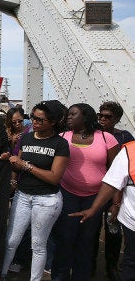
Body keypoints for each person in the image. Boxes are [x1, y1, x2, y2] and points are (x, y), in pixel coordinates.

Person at [0, 101, 70, 281]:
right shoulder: (27, 138)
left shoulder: (60, 144)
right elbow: (17, 165)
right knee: (11, 241)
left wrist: (26, 166)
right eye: (32, 118)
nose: (34, 122)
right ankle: (1, 274)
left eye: (40, 119)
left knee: (38, 244)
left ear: (52, 122)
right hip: (22, 195)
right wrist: (10, 162)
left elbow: (55, 177)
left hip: (47, 199)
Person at [51, 103, 119, 281]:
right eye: (68, 115)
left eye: (73, 114)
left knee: (87, 240)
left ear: (86, 116)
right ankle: (60, 276)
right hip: (67, 194)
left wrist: (115, 202)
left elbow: (116, 173)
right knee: (65, 238)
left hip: (96, 198)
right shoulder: (61, 137)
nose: (69, 117)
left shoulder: (107, 139)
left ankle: (82, 276)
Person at [69, 142, 135, 281]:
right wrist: (94, 209)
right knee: (132, 262)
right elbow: (112, 182)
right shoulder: (130, 151)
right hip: (132, 221)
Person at [90, 101, 135, 279]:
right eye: (100, 115)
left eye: (107, 117)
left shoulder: (125, 137)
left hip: (116, 193)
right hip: (95, 191)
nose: (102, 119)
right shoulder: (93, 136)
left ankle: (111, 267)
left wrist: (116, 202)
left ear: (116, 119)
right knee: (92, 231)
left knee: (113, 232)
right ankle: (90, 265)